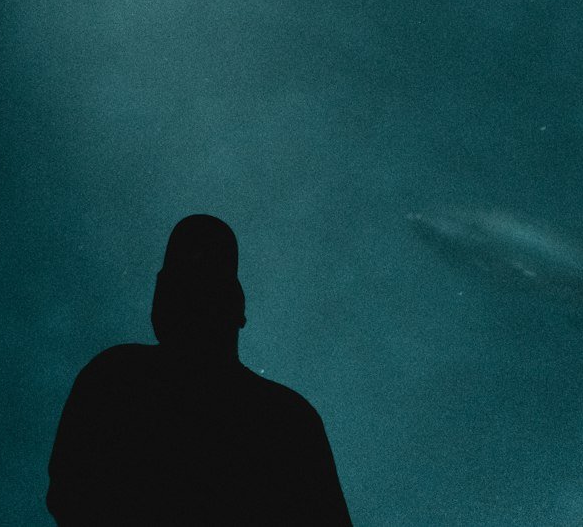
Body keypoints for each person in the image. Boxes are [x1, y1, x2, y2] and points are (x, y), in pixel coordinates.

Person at [47, 214, 353, 525]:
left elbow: (68, 495)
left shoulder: (113, 380)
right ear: (238, 309)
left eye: (188, 288)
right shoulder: (288, 421)